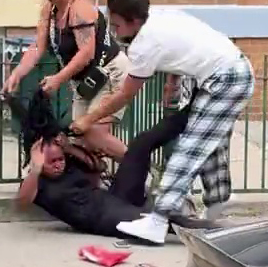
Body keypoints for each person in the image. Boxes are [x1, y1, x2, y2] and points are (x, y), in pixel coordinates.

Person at [71, 0, 255, 245]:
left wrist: (88, 119)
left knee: (189, 148)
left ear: (134, 21)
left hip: (226, 79)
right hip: (226, 72)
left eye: (117, 25)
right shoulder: (158, 16)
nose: (114, 31)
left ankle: (157, 222)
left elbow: (124, 95)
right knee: (210, 144)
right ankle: (219, 208)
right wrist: (173, 81)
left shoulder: (144, 44)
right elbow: (182, 49)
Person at [13, 89, 210, 237]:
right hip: (102, 218)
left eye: (60, 159)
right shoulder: (37, 183)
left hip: (115, 198)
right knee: (163, 218)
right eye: (52, 162)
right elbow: (21, 203)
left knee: (141, 144)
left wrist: (70, 149)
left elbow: (99, 167)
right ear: (39, 161)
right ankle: (212, 229)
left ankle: (193, 110)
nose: (59, 164)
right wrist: (36, 169)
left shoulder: (68, 162)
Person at [1, 0, 130, 162]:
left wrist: (58, 79)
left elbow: (86, 53)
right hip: (86, 82)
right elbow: (37, 47)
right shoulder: (49, 11)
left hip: (109, 72)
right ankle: (96, 180)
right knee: (79, 140)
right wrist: (17, 73)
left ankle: (140, 168)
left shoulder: (79, 9)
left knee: (94, 134)